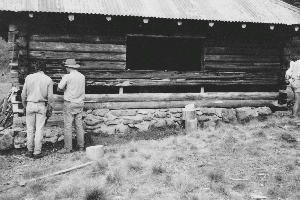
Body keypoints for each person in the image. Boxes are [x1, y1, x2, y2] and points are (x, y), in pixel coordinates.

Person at [21, 61, 53, 159]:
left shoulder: (28, 78)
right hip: (41, 105)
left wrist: (24, 105)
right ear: (44, 69)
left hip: (30, 104)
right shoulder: (48, 80)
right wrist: (49, 108)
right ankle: (37, 152)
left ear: (36, 68)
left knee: (30, 129)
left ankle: (29, 150)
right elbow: (50, 97)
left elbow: (23, 94)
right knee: (39, 129)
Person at [57, 59, 85, 154]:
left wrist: (66, 88)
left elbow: (59, 88)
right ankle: (81, 146)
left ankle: (68, 148)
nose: (66, 69)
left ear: (69, 67)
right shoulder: (82, 76)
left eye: (66, 67)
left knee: (68, 126)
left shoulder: (67, 76)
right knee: (79, 125)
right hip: (80, 102)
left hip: (70, 102)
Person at [286, 54, 300, 119]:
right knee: (297, 101)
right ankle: (294, 116)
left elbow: (288, 73)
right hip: (298, 82)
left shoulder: (293, 63)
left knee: (296, 100)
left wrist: (288, 79)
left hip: (293, 82)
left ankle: (294, 114)